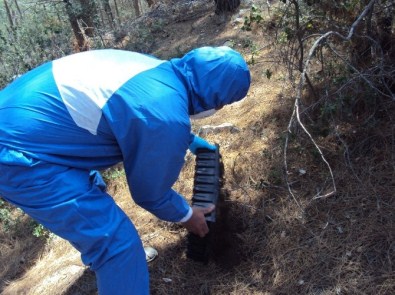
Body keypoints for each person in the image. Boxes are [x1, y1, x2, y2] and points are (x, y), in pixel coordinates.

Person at [0, 46, 250, 294]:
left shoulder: (156, 70)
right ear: (215, 98)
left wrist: (189, 140)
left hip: (28, 126)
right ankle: (116, 262)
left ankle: (113, 268)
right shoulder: (164, 113)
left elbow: (136, 115)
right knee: (117, 245)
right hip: (22, 156)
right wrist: (186, 215)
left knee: (93, 190)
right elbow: (149, 194)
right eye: (224, 103)